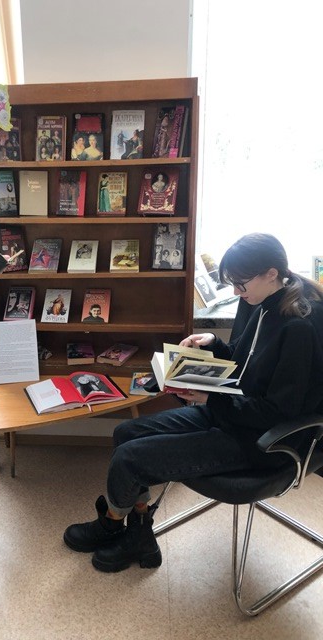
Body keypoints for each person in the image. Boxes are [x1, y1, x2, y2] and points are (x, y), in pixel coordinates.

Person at [63, 233, 323, 573]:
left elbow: (277, 412)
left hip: (263, 442)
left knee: (129, 458)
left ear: (271, 273)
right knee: (126, 433)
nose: (236, 293)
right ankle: (139, 533)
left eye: (241, 284)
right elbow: (244, 361)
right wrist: (213, 343)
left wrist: (210, 397)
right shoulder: (262, 301)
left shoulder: (299, 327)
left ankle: (113, 523)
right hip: (232, 413)